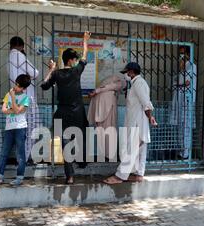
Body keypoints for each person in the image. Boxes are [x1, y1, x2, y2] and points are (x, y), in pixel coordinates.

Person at [41, 31, 92, 185]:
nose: (77, 61)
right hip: (77, 114)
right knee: (82, 136)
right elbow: (85, 55)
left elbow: (44, 85)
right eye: (75, 59)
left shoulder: (56, 74)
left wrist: (51, 69)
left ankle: (69, 175)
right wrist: (85, 40)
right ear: (71, 60)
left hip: (62, 114)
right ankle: (82, 162)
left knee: (65, 143)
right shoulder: (76, 71)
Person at [104, 62, 158, 185]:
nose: (125, 75)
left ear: (132, 72)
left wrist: (150, 117)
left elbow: (146, 103)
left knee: (131, 150)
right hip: (137, 122)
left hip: (137, 123)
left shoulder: (139, 84)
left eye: (126, 73)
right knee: (139, 151)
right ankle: (138, 175)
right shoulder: (135, 84)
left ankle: (120, 176)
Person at [0, 74, 32, 187]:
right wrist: (13, 108)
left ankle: (19, 178)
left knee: (20, 155)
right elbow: (4, 110)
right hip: (9, 128)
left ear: (24, 88)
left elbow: (18, 111)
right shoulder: (8, 94)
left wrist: (12, 101)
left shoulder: (26, 98)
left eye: (18, 86)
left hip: (20, 128)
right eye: (16, 83)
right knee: (4, 153)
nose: (15, 87)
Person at [7, 36, 40, 164]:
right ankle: (25, 158)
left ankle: (21, 157)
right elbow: (35, 73)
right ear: (21, 46)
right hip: (27, 97)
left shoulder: (9, 58)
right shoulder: (19, 56)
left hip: (15, 96)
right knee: (31, 126)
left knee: (19, 128)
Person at [88, 74, 127, 160]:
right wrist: (96, 91)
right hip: (107, 106)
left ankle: (105, 154)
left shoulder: (110, 78)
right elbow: (111, 86)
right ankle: (109, 155)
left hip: (99, 105)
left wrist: (96, 91)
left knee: (101, 131)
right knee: (110, 130)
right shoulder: (123, 82)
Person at [170, 45, 197, 159]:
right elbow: (176, 80)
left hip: (187, 98)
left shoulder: (191, 66)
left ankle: (186, 153)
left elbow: (186, 82)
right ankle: (182, 151)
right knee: (180, 125)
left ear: (188, 54)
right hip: (179, 98)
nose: (181, 55)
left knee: (186, 125)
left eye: (182, 53)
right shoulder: (183, 66)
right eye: (180, 53)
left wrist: (176, 83)